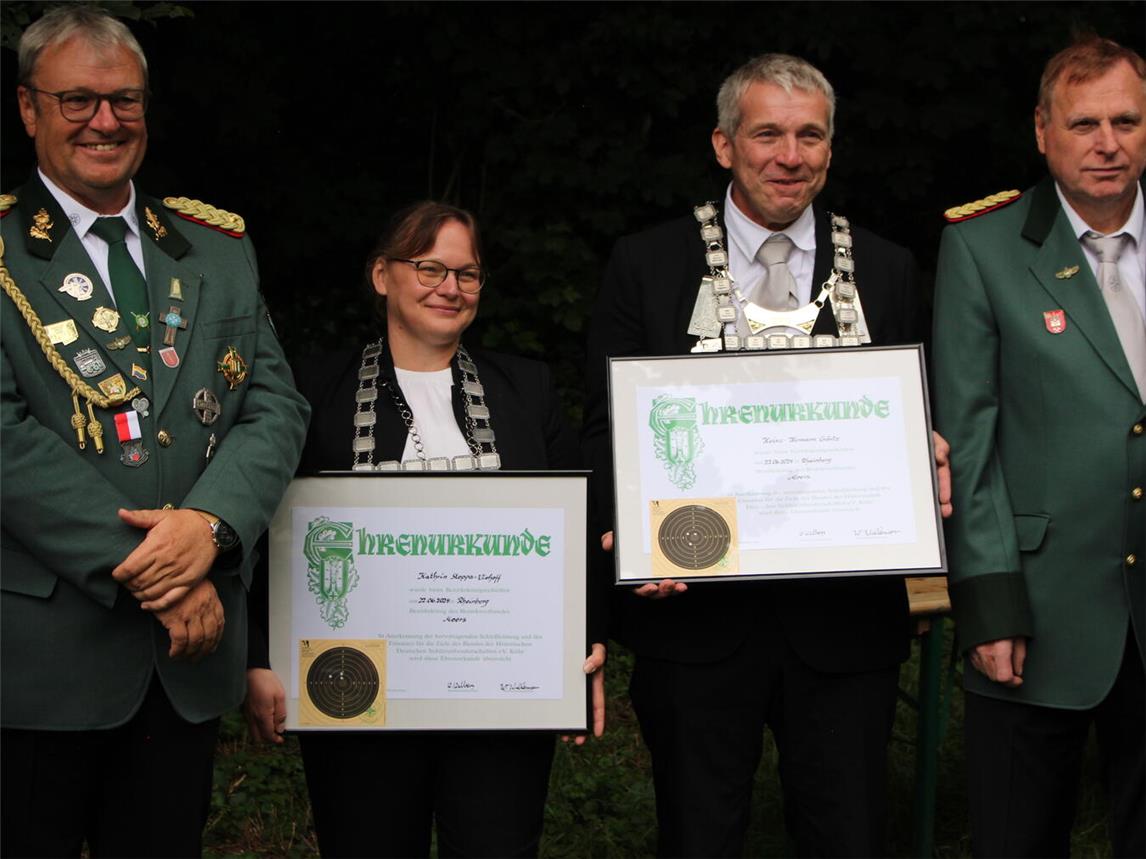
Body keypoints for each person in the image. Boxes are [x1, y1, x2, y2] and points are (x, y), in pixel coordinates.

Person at [581, 53, 950, 857]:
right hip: (697, 618)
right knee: (699, 834)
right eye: (768, 133)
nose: (790, 154)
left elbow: (914, 417)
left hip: (846, 624)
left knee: (849, 832)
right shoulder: (647, 263)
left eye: (810, 135)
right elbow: (607, 426)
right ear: (724, 145)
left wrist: (927, 455)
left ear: (830, 148)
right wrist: (623, 529)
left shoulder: (887, 267)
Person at [0, 7, 310, 858]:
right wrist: (164, 571)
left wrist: (208, 530)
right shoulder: (2, 252)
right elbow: (5, 435)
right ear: (29, 108)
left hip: (185, 668)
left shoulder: (214, 247)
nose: (105, 121)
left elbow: (275, 406)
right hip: (45, 662)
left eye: (124, 100)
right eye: (77, 101)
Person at [243, 200, 606, 858]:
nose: (450, 287)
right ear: (382, 274)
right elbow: (267, 525)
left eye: (467, 274)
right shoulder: (312, 387)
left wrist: (584, 644)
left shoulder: (527, 388)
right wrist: (258, 653)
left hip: (501, 694)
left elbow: (573, 531)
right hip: (359, 691)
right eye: (430, 267)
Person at [932, 35, 1145, 858]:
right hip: (1039, 608)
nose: (1107, 142)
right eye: (1083, 122)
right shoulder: (983, 247)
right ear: (1041, 130)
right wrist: (988, 600)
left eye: (1126, 120)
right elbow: (970, 438)